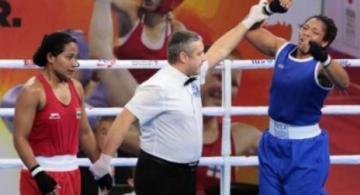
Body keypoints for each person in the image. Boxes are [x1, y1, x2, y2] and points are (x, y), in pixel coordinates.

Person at [90, 2, 269, 194]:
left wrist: (250, 19)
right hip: (158, 173)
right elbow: (123, 120)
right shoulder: (158, 85)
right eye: (200, 54)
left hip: (185, 171)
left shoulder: (192, 76)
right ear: (183, 57)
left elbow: (221, 49)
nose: (204, 58)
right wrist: (104, 161)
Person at [245, 0, 350, 194]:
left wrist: (324, 57)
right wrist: (268, 10)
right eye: (305, 28)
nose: (306, 33)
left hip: (305, 150)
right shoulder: (281, 49)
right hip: (272, 143)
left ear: (325, 42)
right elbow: (249, 31)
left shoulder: (320, 67)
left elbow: (344, 82)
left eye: (314, 32)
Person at [12, 32, 112, 195]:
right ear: (51, 57)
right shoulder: (32, 91)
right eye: (69, 57)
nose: (75, 63)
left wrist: (99, 167)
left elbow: (85, 133)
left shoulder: (77, 87)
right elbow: (19, 137)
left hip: (72, 173)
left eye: (76, 58)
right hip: (41, 173)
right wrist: (37, 173)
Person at [197, 69, 262, 195]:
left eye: (232, 83)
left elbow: (291, 162)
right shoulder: (162, 129)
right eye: (219, 78)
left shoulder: (241, 137)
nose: (224, 88)